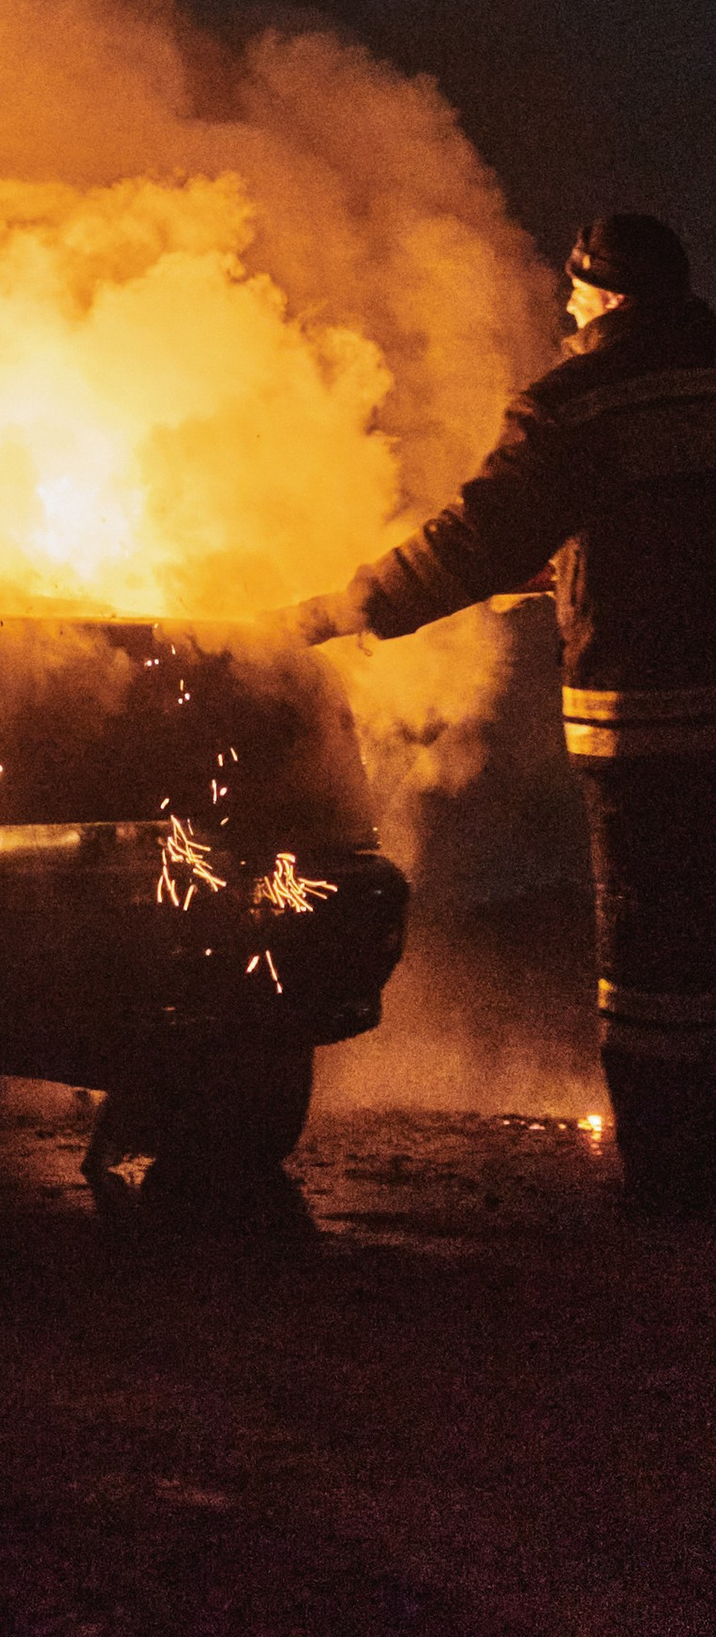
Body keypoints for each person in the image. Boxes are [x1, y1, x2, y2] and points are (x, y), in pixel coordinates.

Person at [291, 212, 716, 1216]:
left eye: (574, 295)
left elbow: (476, 538)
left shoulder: (578, 400)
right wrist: (570, 564)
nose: (565, 312)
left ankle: (673, 1190)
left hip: (650, 730)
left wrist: (344, 611)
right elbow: (669, 521)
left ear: (605, 295)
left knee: (654, 970)